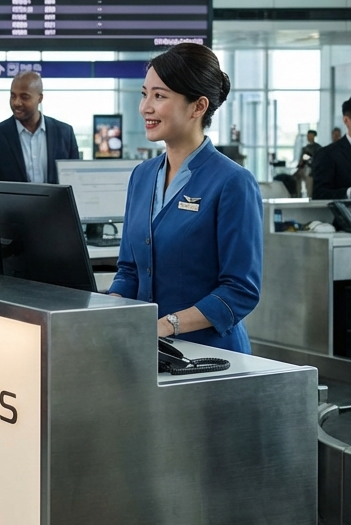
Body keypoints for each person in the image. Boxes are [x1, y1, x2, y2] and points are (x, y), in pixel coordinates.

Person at [107, 44, 262, 353]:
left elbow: (240, 290)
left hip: (211, 355)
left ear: (197, 107)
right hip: (146, 350)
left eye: (159, 96)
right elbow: (128, 270)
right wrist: (108, 310)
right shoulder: (142, 175)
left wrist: (166, 325)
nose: (145, 107)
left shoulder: (233, 182)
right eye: (144, 94)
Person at [0, 71, 79, 183]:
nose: (16, 102)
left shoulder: (65, 133)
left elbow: (75, 182)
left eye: (24, 97)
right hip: (12, 201)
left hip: (57, 201)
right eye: (13, 96)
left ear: (40, 98)